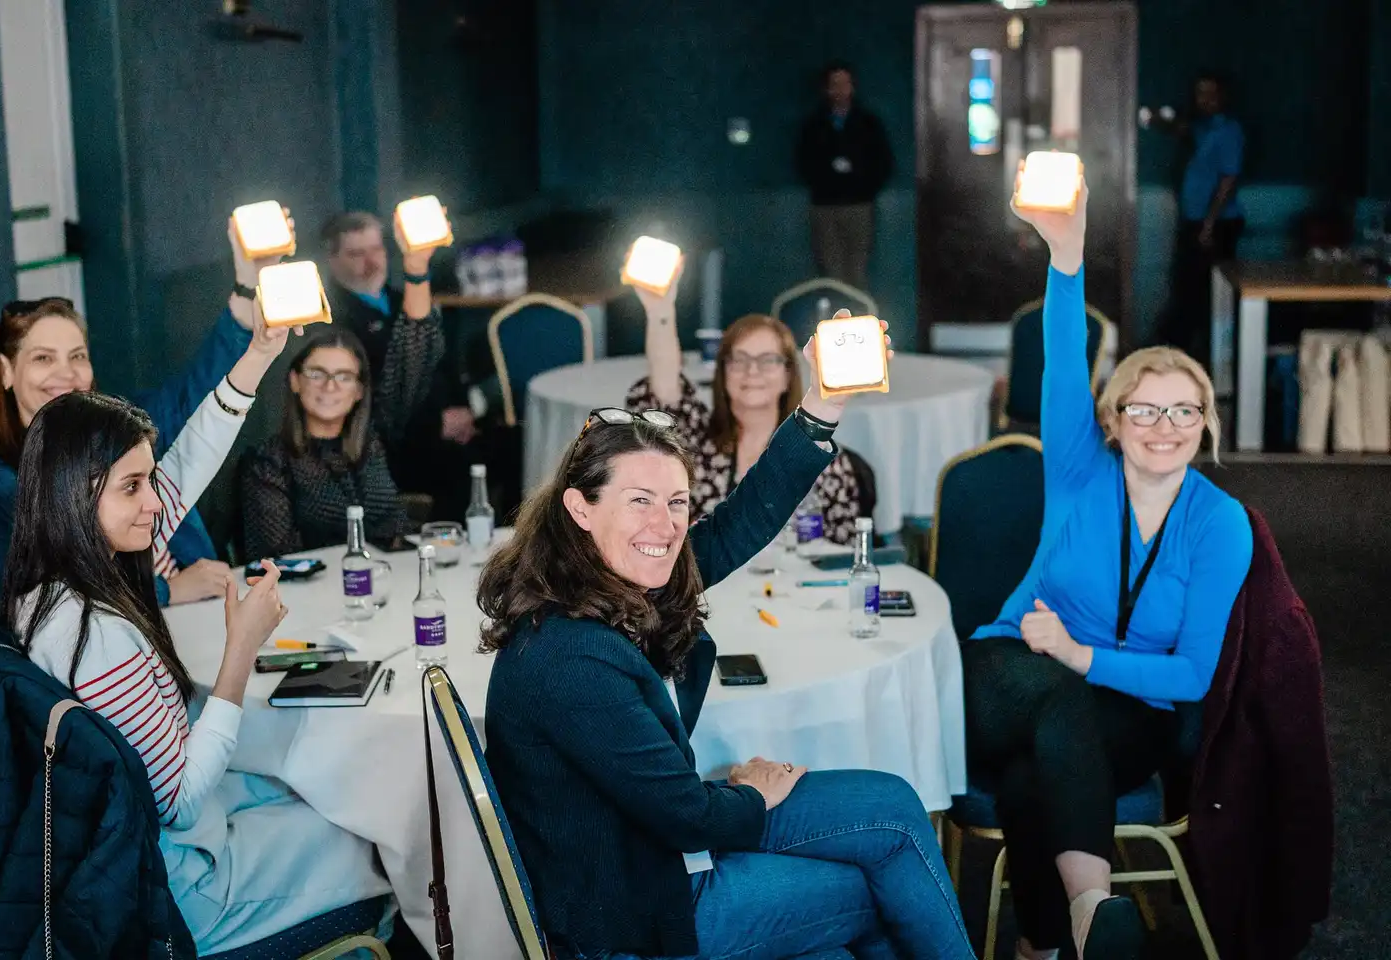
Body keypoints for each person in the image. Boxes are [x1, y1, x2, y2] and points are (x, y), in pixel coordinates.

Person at [480, 327, 975, 960]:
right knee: (872, 881)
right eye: (639, 502)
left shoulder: (617, 576)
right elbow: (689, 816)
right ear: (580, 508)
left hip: (659, 841)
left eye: (677, 502)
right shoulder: (569, 654)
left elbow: (741, 521)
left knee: (894, 806)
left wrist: (823, 402)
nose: (664, 526)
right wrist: (751, 792)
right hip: (639, 907)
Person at [1, 310, 392, 954]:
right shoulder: (95, 633)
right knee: (366, 832)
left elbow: (188, 460)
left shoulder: (40, 587)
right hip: (179, 890)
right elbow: (178, 801)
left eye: (149, 480)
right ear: (76, 495)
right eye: (135, 486)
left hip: (142, 849)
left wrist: (259, 357)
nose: (157, 504)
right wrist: (242, 647)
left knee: (323, 784)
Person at [962, 173, 1252, 959]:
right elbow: (1062, 356)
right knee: (1056, 706)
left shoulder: (1219, 525)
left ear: (1206, 425)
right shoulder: (1079, 469)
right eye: (1144, 409)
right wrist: (1066, 252)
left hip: (1126, 705)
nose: (1164, 426)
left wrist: (1082, 654)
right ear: (1113, 421)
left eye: (1183, 411)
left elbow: (1191, 675)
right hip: (1009, 663)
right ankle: (1096, 906)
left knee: (1033, 779)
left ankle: (1043, 945)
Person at [0, 216, 289, 613]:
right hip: (116, 653)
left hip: (203, 615)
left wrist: (248, 289)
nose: (66, 373)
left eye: (77, 356)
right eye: (43, 358)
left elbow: (196, 399)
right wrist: (167, 590)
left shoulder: (122, 432)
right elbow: (18, 606)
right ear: (7, 371)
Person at [625, 268, 864, 543]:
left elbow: (845, 555)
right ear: (722, 372)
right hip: (708, 584)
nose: (752, 371)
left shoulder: (822, 460)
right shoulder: (695, 446)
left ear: (788, 375)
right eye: (739, 360)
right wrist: (660, 313)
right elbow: (664, 392)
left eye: (767, 360)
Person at [321, 210, 501, 518]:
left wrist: (464, 412)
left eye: (377, 249)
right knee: (464, 469)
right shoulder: (331, 321)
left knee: (514, 445)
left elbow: (443, 361)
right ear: (332, 259)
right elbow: (375, 400)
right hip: (396, 446)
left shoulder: (402, 299)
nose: (372, 261)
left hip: (449, 422)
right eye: (356, 253)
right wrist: (437, 424)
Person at [238, 329, 416, 559]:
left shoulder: (371, 446)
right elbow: (275, 560)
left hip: (385, 581)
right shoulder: (268, 463)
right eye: (316, 374)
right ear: (295, 381)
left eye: (344, 376)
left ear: (359, 390)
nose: (330, 386)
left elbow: (396, 528)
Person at [1153, 73, 1245, 363]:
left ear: (1223, 96)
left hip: (1215, 225)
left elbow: (1228, 180)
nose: (1204, 99)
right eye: (1199, 93)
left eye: (1210, 93)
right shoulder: (1200, 128)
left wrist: (1209, 224)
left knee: (1203, 293)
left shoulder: (1229, 131)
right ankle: (1179, 352)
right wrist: (1156, 119)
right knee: (1185, 285)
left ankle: (1199, 357)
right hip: (1193, 221)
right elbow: (1182, 130)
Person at [796, 60, 894, 288]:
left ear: (852, 87)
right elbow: (803, 162)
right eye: (834, 84)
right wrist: (825, 180)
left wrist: (862, 184)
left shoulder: (868, 124)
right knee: (830, 271)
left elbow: (883, 162)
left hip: (858, 205)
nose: (840, 89)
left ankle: (857, 318)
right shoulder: (814, 125)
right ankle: (834, 318)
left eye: (844, 83)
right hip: (824, 206)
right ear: (826, 89)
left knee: (857, 270)